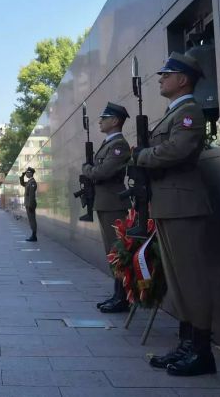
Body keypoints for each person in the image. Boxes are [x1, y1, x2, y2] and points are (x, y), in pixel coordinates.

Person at [132, 52, 214, 376]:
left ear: (182, 79)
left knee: (192, 280)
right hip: (168, 205)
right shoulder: (174, 112)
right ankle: (187, 345)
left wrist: (143, 155)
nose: (161, 79)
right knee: (179, 283)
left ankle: (202, 351)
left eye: (166, 74)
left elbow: (178, 150)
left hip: (184, 206)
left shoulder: (190, 111)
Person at [82, 102, 132, 313]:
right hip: (105, 203)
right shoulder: (108, 144)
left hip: (114, 204)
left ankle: (122, 298)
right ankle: (117, 294)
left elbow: (102, 172)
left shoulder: (118, 145)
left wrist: (87, 169)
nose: (100, 121)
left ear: (115, 121)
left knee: (116, 251)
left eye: (105, 117)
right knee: (111, 251)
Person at [20, 167, 38, 242]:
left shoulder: (32, 182)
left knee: (32, 220)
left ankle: (34, 236)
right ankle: (33, 235)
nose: (26, 174)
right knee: (31, 220)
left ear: (31, 173)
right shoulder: (29, 182)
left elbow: (31, 195)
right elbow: (22, 183)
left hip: (30, 205)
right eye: (26, 173)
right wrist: (22, 176)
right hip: (28, 204)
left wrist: (30, 205)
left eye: (27, 172)